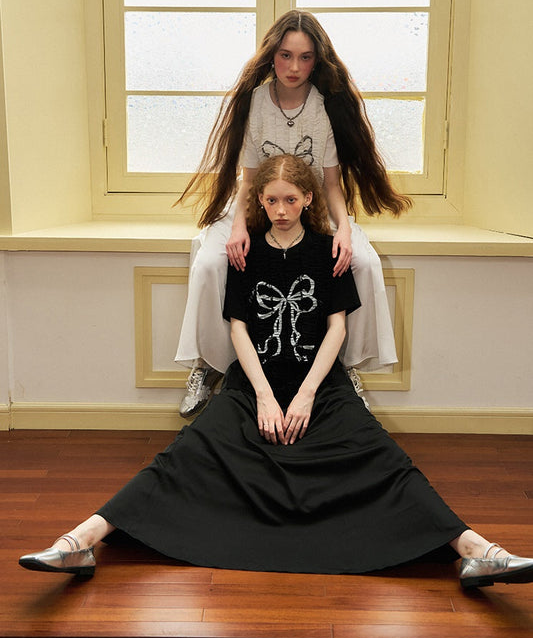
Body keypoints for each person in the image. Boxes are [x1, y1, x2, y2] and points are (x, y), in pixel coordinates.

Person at [19, 155, 533, 589]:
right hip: (253, 383)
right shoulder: (244, 255)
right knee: (183, 455)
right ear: (258, 203)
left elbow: (337, 329)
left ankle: (477, 551)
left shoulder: (330, 251)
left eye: (290, 199)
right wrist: (265, 397)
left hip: (319, 383)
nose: (281, 210)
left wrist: (306, 395)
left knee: (385, 459)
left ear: (308, 198)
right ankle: (80, 542)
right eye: (271, 201)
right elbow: (239, 329)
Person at [174, 9, 412, 417]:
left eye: (305, 57)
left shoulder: (327, 107)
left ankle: (344, 369)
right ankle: (211, 365)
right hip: (256, 203)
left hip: (312, 206)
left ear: (317, 60)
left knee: (363, 262)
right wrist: (238, 226)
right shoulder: (252, 103)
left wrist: (344, 230)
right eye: (285, 55)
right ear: (271, 55)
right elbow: (248, 180)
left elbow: (332, 184)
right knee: (211, 262)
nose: (294, 67)